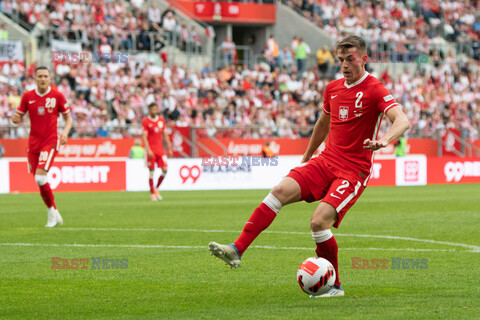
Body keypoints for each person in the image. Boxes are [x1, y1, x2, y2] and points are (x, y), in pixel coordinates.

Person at [208, 35, 410, 297]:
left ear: (363, 58)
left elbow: (402, 120)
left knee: (318, 222)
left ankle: (334, 286)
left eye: (350, 59)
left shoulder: (374, 88)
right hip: (325, 161)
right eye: (340, 60)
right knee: (279, 191)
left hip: (353, 171)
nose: (345, 65)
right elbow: (323, 125)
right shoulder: (333, 88)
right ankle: (236, 250)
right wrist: (307, 157)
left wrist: (383, 140)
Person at [11, 66, 73, 227]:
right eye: (40, 76)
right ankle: (54, 212)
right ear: (35, 78)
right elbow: (19, 114)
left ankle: (51, 214)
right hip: (33, 143)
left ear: (50, 78)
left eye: (46, 76)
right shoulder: (27, 96)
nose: (43, 79)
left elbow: (69, 119)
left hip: (50, 141)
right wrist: (15, 118)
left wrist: (65, 132)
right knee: (40, 180)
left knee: (40, 177)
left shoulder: (57, 96)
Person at [141, 103, 173, 201]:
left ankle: (156, 188)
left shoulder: (161, 120)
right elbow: (144, 137)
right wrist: (148, 149)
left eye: (156, 108)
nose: (154, 110)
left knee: (165, 170)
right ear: (149, 110)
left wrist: (169, 147)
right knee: (151, 172)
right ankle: (152, 193)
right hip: (151, 150)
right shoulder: (146, 121)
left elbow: (165, 134)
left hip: (160, 150)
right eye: (152, 109)